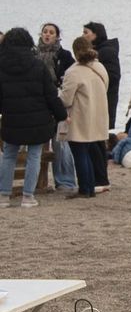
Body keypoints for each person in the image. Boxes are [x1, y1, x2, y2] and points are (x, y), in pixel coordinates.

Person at [1, 28, 69, 209]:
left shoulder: (2, 65)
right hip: (37, 119)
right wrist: (62, 115)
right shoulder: (38, 65)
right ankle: (27, 196)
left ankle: (4, 196)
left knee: (8, 156)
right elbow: (50, 94)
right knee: (34, 156)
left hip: (12, 118)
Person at [59, 36, 110, 199]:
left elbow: (66, 99)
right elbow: (106, 87)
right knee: (89, 153)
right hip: (97, 115)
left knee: (80, 153)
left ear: (75, 52)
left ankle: (85, 188)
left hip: (80, 117)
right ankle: (90, 187)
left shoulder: (73, 71)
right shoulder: (100, 67)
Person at [38, 23, 77, 193]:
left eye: (51, 32)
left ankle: (65, 181)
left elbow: (71, 76)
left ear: (57, 36)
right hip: (38, 104)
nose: (47, 35)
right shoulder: (34, 54)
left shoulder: (65, 55)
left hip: (59, 102)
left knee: (61, 143)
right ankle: (39, 181)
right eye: (45, 32)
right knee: (36, 144)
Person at [82, 22, 121, 128]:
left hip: (103, 103)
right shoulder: (95, 52)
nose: (83, 36)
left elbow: (113, 76)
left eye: (86, 32)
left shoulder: (106, 51)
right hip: (96, 103)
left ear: (96, 34)